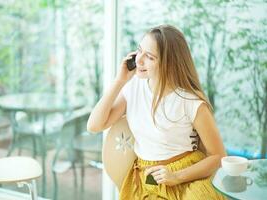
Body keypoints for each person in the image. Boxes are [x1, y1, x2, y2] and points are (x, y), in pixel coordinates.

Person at [87, 25, 226, 200]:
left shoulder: (191, 102)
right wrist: (120, 80)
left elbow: (218, 156)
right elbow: (94, 125)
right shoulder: (133, 87)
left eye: (150, 57)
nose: (139, 60)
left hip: (188, 175)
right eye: (139, 51)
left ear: (169, 63)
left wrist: (177, 177)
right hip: (149, 178)